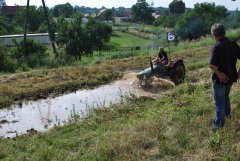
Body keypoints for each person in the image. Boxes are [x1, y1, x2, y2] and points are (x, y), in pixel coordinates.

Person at [209, 24, 240, 130]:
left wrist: (218, 73)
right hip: (231, 78)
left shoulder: (216, 46)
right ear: (224, 32)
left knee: (219, 103)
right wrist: (239, 72)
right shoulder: (233, 44)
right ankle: (228, 117)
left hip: (219, 80)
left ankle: (218, 127)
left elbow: (211, 65)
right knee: (225, 98)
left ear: (214, 34)